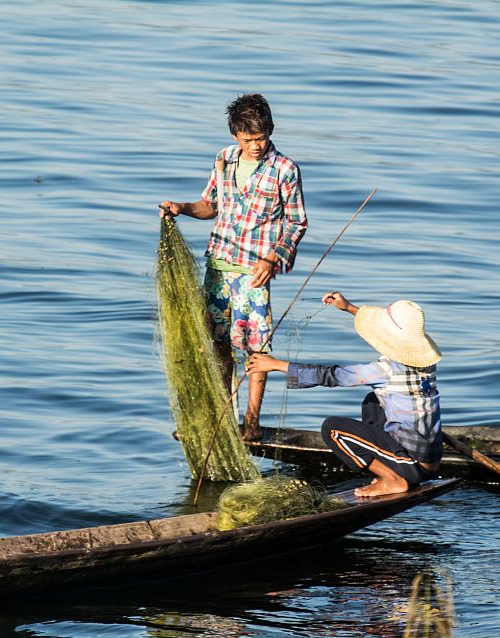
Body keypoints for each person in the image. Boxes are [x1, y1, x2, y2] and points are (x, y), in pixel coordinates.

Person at [160, 93, 308, 441]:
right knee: (219, 344)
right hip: (218, 265)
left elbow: (297, 223)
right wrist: (181, 207)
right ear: (234, 136)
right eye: (248, 140)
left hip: (253, 271)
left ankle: (252, 422)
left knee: (256, 348)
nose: (255, 146)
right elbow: (210, 206)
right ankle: (224, 415)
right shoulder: (224, 160)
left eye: (261, 138)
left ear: (269, 132)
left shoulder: (284, 169)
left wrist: (274, 258)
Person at [246, 292, 442, 497]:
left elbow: (334, 376)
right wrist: (348, 308)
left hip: (411, 464)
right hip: (430, 460)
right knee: (373, 401)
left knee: (332, 429)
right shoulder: (428, 364)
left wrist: (277, 365)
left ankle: (392, 479)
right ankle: (393, 470)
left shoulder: (386, 370)